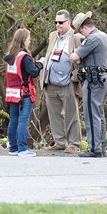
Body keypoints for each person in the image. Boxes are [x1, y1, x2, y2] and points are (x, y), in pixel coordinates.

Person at [40, 9, 83, 154]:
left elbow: (83, 59)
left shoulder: (76, 37)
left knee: (71, 113)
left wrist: (76, 75)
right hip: (50, 82)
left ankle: (74, 144)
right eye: (56, 22)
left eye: (61, 22)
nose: (58, 25)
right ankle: (59, 142)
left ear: (69, 22)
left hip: (67, 82)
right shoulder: (53, 36)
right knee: (54, 113)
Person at [70, 12, 107, 158]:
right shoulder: (104, 36)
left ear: (84, 28)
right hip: (101, 78)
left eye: (81, 31)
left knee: (91, 114)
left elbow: (74, 57)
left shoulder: (92, 39)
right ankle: (101, 147)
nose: (81, 34)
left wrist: (73, 51)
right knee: (99, 114)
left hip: (94, 81)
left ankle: (94, 148)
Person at [4, 28, 43, 157]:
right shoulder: (24, 56)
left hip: (12, 92)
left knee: (13, 119)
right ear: (23, 41)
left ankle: (13, 148)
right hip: (24, 92)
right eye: (28, 39)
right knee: (23, 120)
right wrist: (39, 64)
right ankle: (22, 148)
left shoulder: (10, 55)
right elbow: (34, 72)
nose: (30, 41)